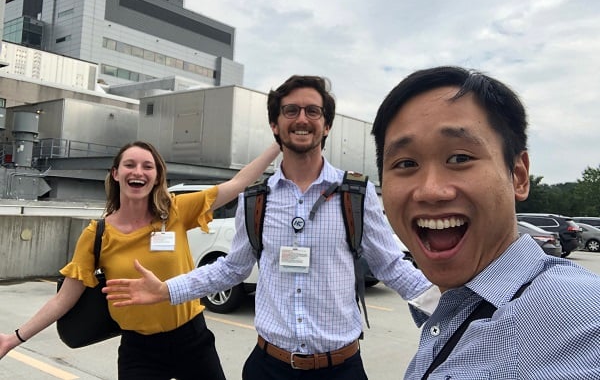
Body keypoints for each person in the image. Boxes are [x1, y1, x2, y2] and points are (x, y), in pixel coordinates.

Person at [103, 75, 439, 380]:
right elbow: (231, 269)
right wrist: (167, 290)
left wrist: (455, 304)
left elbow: (392, 266)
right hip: (269, 367)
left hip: (340, 368)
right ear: (275, 126)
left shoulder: (356, 193)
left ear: (326, 126)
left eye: (313, 111)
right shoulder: (255, 199)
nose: (302, 119)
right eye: (290, 111)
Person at [371, 66, 600, 379]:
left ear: (518, 175)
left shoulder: (578, 315)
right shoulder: (456, 306)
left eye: (460, 158)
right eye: (406, 163)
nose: (431, 191)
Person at [0, 140, 280, 380]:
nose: (138, 172)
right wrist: (14, 338)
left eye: (148, 166)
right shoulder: (96, 234)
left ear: (157, 176)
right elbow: (63, 299)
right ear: (116, 173)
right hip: (139, 348)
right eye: (130, 165)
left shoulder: (175, 211)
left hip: (192, 339)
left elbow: (239, 183)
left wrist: (278, 143)